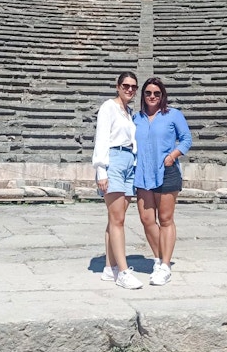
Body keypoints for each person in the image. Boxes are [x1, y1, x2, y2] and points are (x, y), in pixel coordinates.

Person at [133, 77, 192, 286]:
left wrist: (173, 155)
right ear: (143, 95)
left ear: (162, 95)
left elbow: (186, 139)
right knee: (146, 219)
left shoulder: (173, 114)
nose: (152, 96)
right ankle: (158, 259)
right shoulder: (136, 118)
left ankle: (165, 265)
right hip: (142, 173)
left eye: (156, 93)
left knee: (165, 219)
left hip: (166, 171)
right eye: (148, 93)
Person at [92, 72, 144, 289]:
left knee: (115, 218)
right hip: (113, 160)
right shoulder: (109, 107)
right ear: (118, 86)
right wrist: (101, 170)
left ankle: (108, 268)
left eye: (133, 87)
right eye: (126, 85)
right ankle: (123, 272)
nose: (130, 89)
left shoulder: (129, 112)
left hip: (128, 162)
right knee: (117, 220)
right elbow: (102, 138)